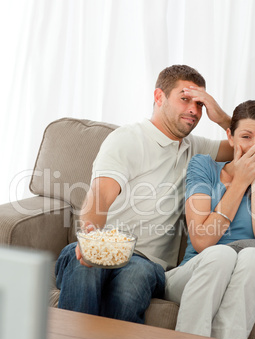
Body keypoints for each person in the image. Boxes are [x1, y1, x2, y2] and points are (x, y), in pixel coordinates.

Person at [55, 64, 234, 323]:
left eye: (200, 105)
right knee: (86, 269)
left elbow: (246, 145)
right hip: (104, 245)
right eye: (185, 100)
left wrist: (220, 116)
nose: (194, 111)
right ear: (159, 97)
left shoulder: (196, 148)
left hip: (148, 262)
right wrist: (91, 238)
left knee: (132, 283)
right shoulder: (128, 139)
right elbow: (100, 196)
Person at [165, 99, 255, 339]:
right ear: (230, 137)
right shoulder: (204, 166)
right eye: (246, 136)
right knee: (220, 254)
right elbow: (203, 240)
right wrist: (241, 181)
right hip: (198, 271)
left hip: (254, 282)